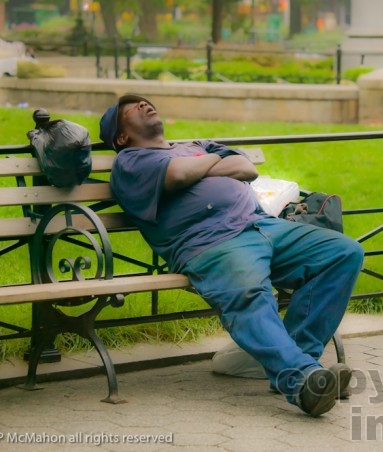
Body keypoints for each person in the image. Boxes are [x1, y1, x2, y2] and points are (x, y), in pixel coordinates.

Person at [99, 94, 364, 417]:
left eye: (144, 101)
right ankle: (301, 380)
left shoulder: (192, 146)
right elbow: (179, 176)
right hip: (213, 244)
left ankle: (301, 363)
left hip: (264, 226)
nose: (143, 105)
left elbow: (245, 167)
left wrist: (198, 163)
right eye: (132, 108)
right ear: (122, 136)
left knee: (342, 253)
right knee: (249, 295)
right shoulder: (131, 163)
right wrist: (210, 162)